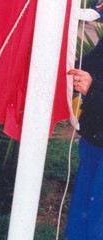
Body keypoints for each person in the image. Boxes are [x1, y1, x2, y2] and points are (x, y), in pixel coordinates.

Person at [65, 36, 103, 240]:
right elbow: (89, 64)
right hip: (93, 141)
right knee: (82, 218)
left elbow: (93, 83)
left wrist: (94, 89)